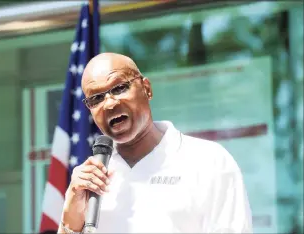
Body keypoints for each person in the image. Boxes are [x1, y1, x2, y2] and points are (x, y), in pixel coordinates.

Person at [58, 53, 253, 233]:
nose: (109, 103)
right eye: (96, 98)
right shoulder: (91, 180)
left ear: (147, 89)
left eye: (119, 88)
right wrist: (70, 219)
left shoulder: (209, 161)